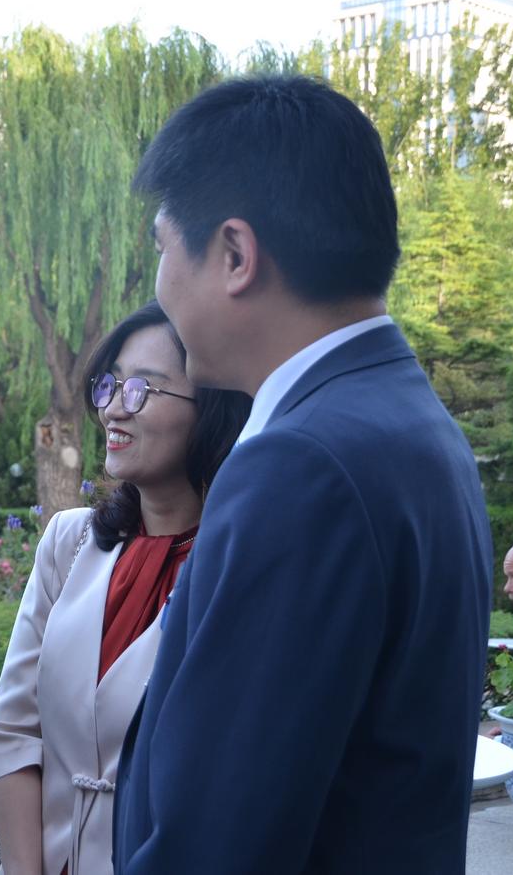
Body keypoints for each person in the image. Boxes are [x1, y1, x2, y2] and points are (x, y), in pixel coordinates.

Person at [110, 75, 493, 874]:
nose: (159, 285)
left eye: (162, 248)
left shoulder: (300, 464)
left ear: (235, 255)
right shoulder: (408, 421)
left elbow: (221, 842)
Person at [0, 300, 249, 875]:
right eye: (110, 385)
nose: (113, 409)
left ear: (213, 409)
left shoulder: (241, 567)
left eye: (143, 389)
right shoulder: (69, 541)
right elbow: (12, 729)